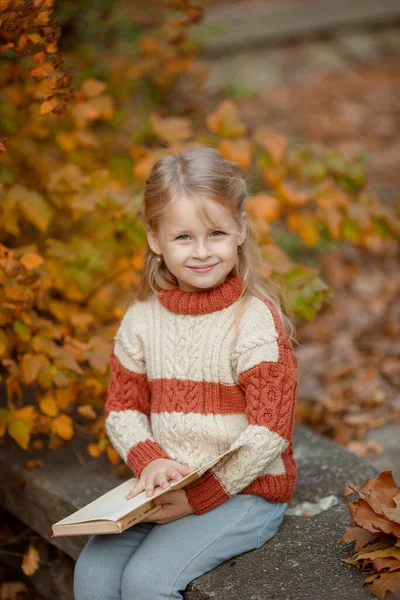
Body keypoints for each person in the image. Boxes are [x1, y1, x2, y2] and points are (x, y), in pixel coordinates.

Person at [74, 146, 298, 600]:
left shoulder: (253, 320)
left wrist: (201, 496)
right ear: (155, 238)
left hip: (245, 490)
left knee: (147, 583)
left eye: (215, 233)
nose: (201, 252)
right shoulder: (140, 319)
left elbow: (270, 430)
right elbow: (122, 408)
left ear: (239, 231)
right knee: (93, 574)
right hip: (168, 483)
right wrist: (150, 460)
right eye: (183, 237)